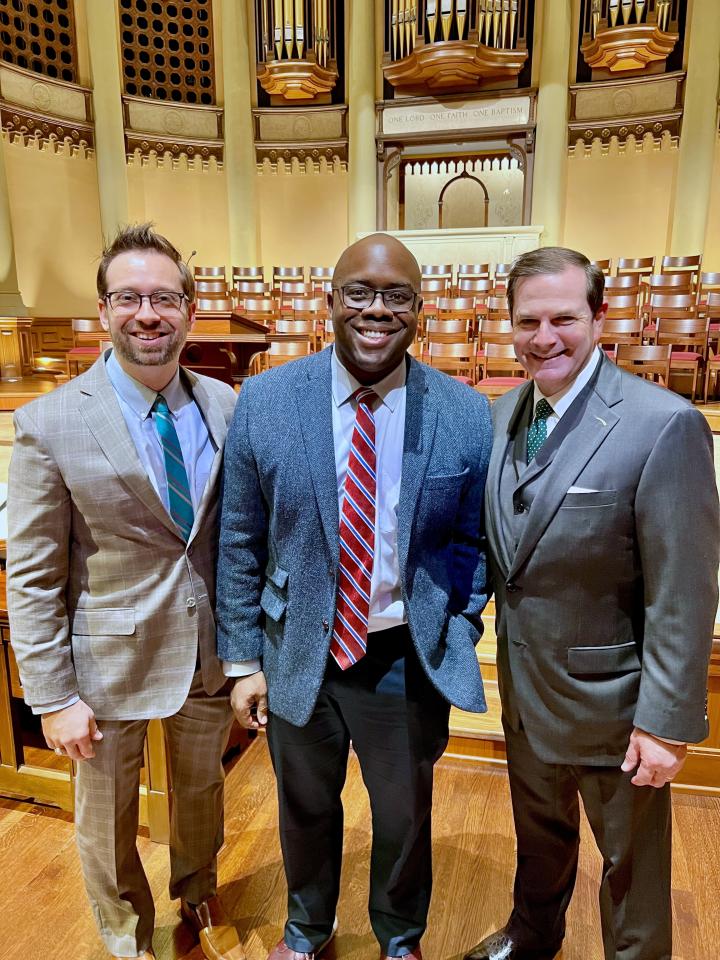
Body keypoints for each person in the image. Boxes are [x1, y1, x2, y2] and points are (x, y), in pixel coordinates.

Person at [216, 233, 492, 960]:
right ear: (330, 301)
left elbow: (475, 541)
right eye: (359, 293)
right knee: (305, 806)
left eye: (396, 296)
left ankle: (400, 938)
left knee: (403, 816)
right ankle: (308, 929)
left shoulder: (464, 412)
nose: (377, 310)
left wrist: (458, 624)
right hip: (298, 646)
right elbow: (240, 540)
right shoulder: (267, 399)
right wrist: (244, 659)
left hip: (404, 654)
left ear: (420, 311)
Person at [464, 246, 719, 960]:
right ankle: (532, 935)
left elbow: (685, 588)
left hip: (617, 704)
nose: (544, 337)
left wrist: (666, 723)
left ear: (598, 316)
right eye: (528, 321)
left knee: (630, 872)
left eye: (563, 318)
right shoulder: (504, 412)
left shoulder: (661, 424)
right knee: (539, 840)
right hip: (526, 688)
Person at [7, 224, 245, 960]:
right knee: (106, 818)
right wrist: (52, 695)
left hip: (205, 655)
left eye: (165, 298)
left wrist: (246, 654)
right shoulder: (49, 422)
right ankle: (125, 936)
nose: (149, 313)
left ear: (190, 310)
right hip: (103, 666)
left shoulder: (226, 404)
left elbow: (233, 540)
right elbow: (36, 572)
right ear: (104, 310)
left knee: (201, 796)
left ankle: (196, 891)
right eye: (130, 297)